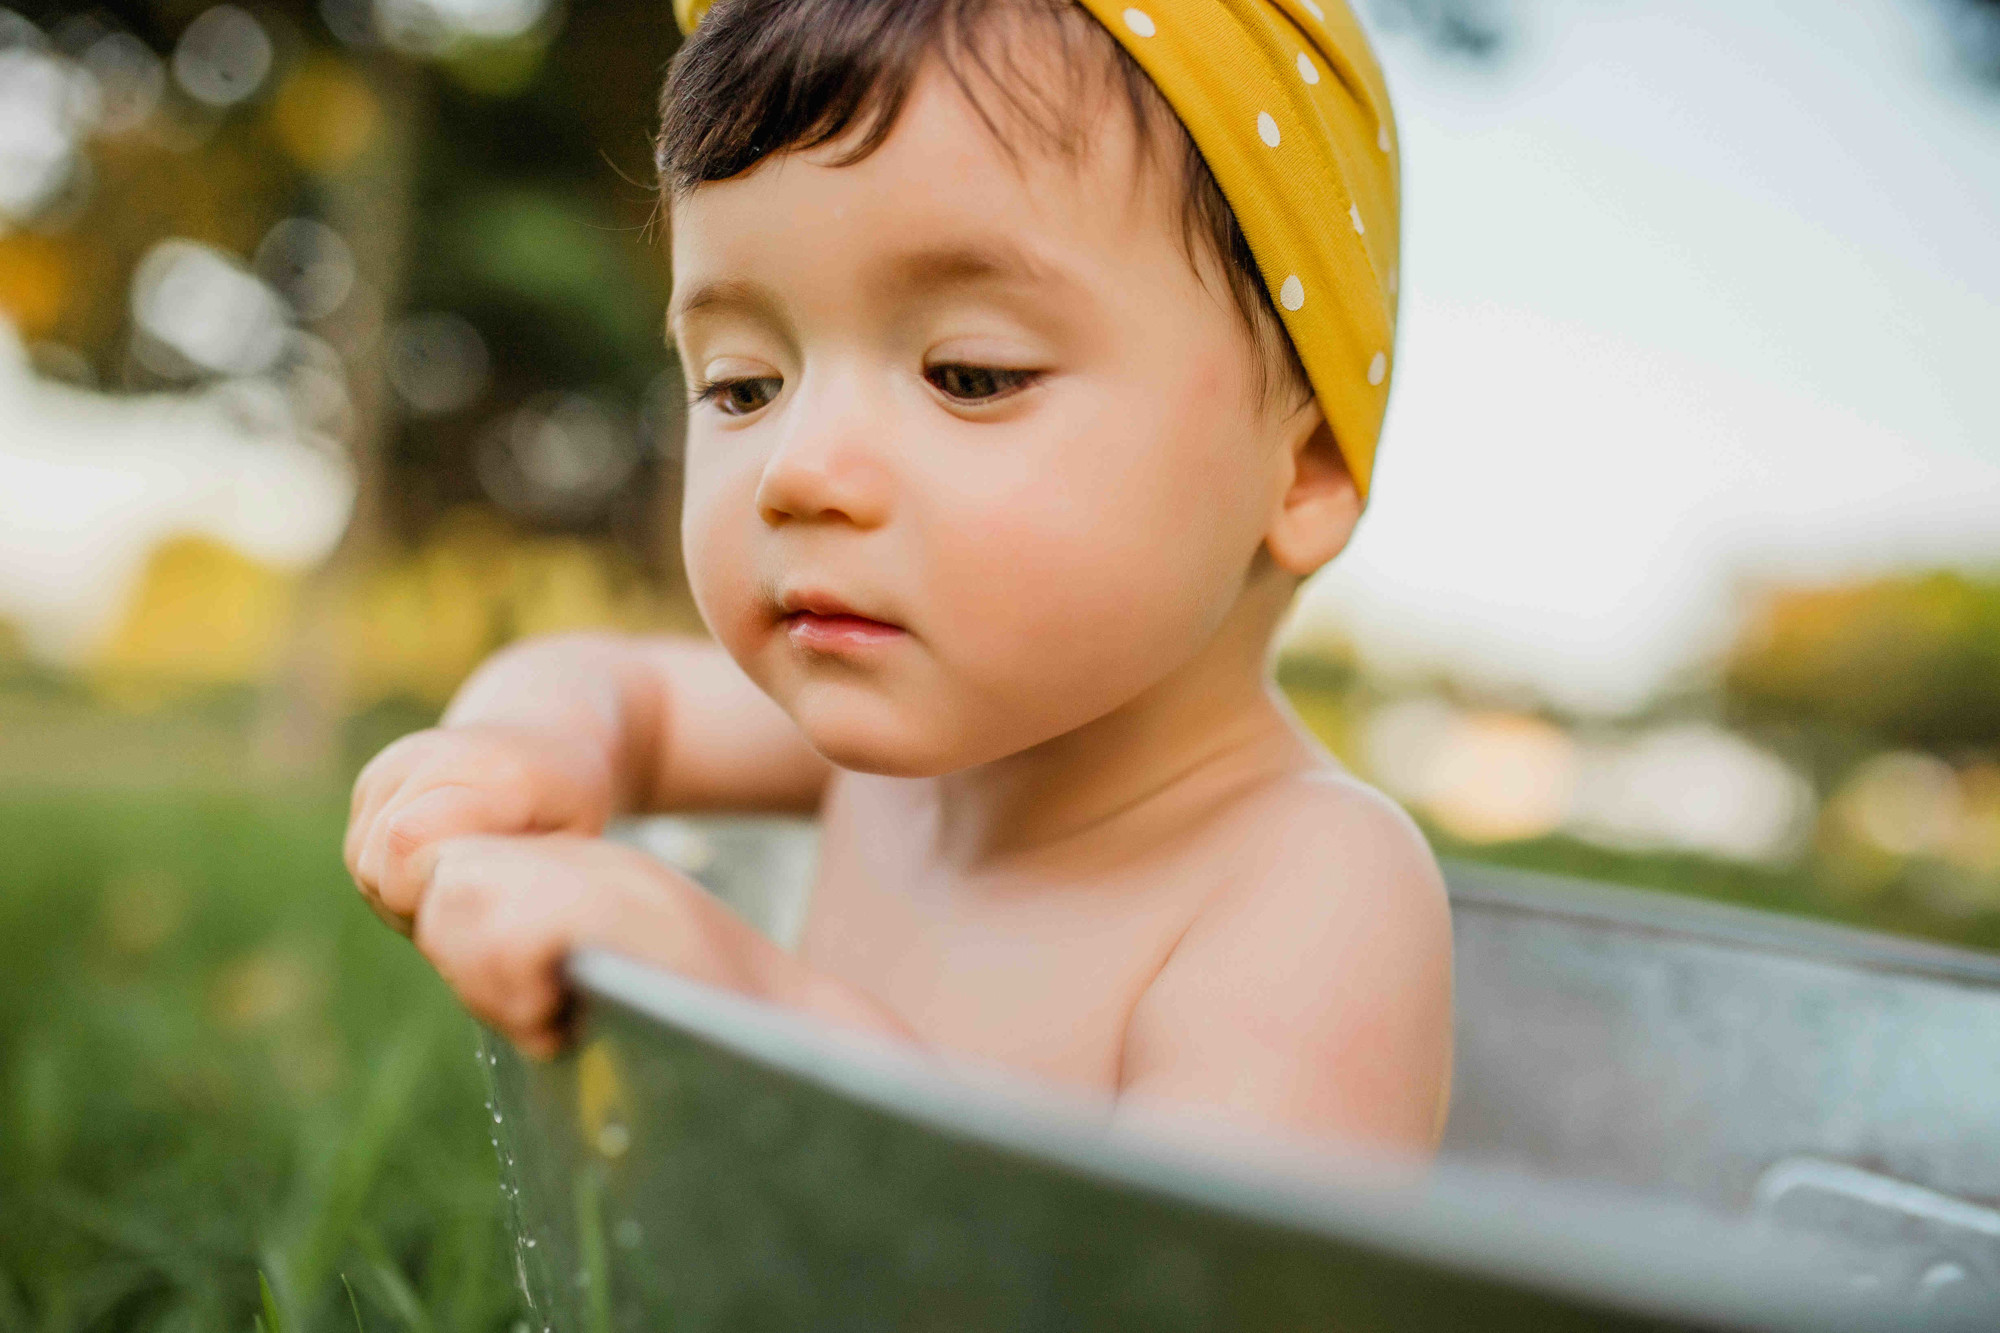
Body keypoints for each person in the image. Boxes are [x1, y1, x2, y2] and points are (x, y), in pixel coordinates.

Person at [345, 0, 1452, 1155]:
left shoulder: (1310, 884)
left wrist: (732, 994)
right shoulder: (878, 771)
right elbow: (616, 687)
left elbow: (1181, 1259)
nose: (797, 468)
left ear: (1303, 469)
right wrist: (524, 748)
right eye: (740, 385)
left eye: (969, 374)